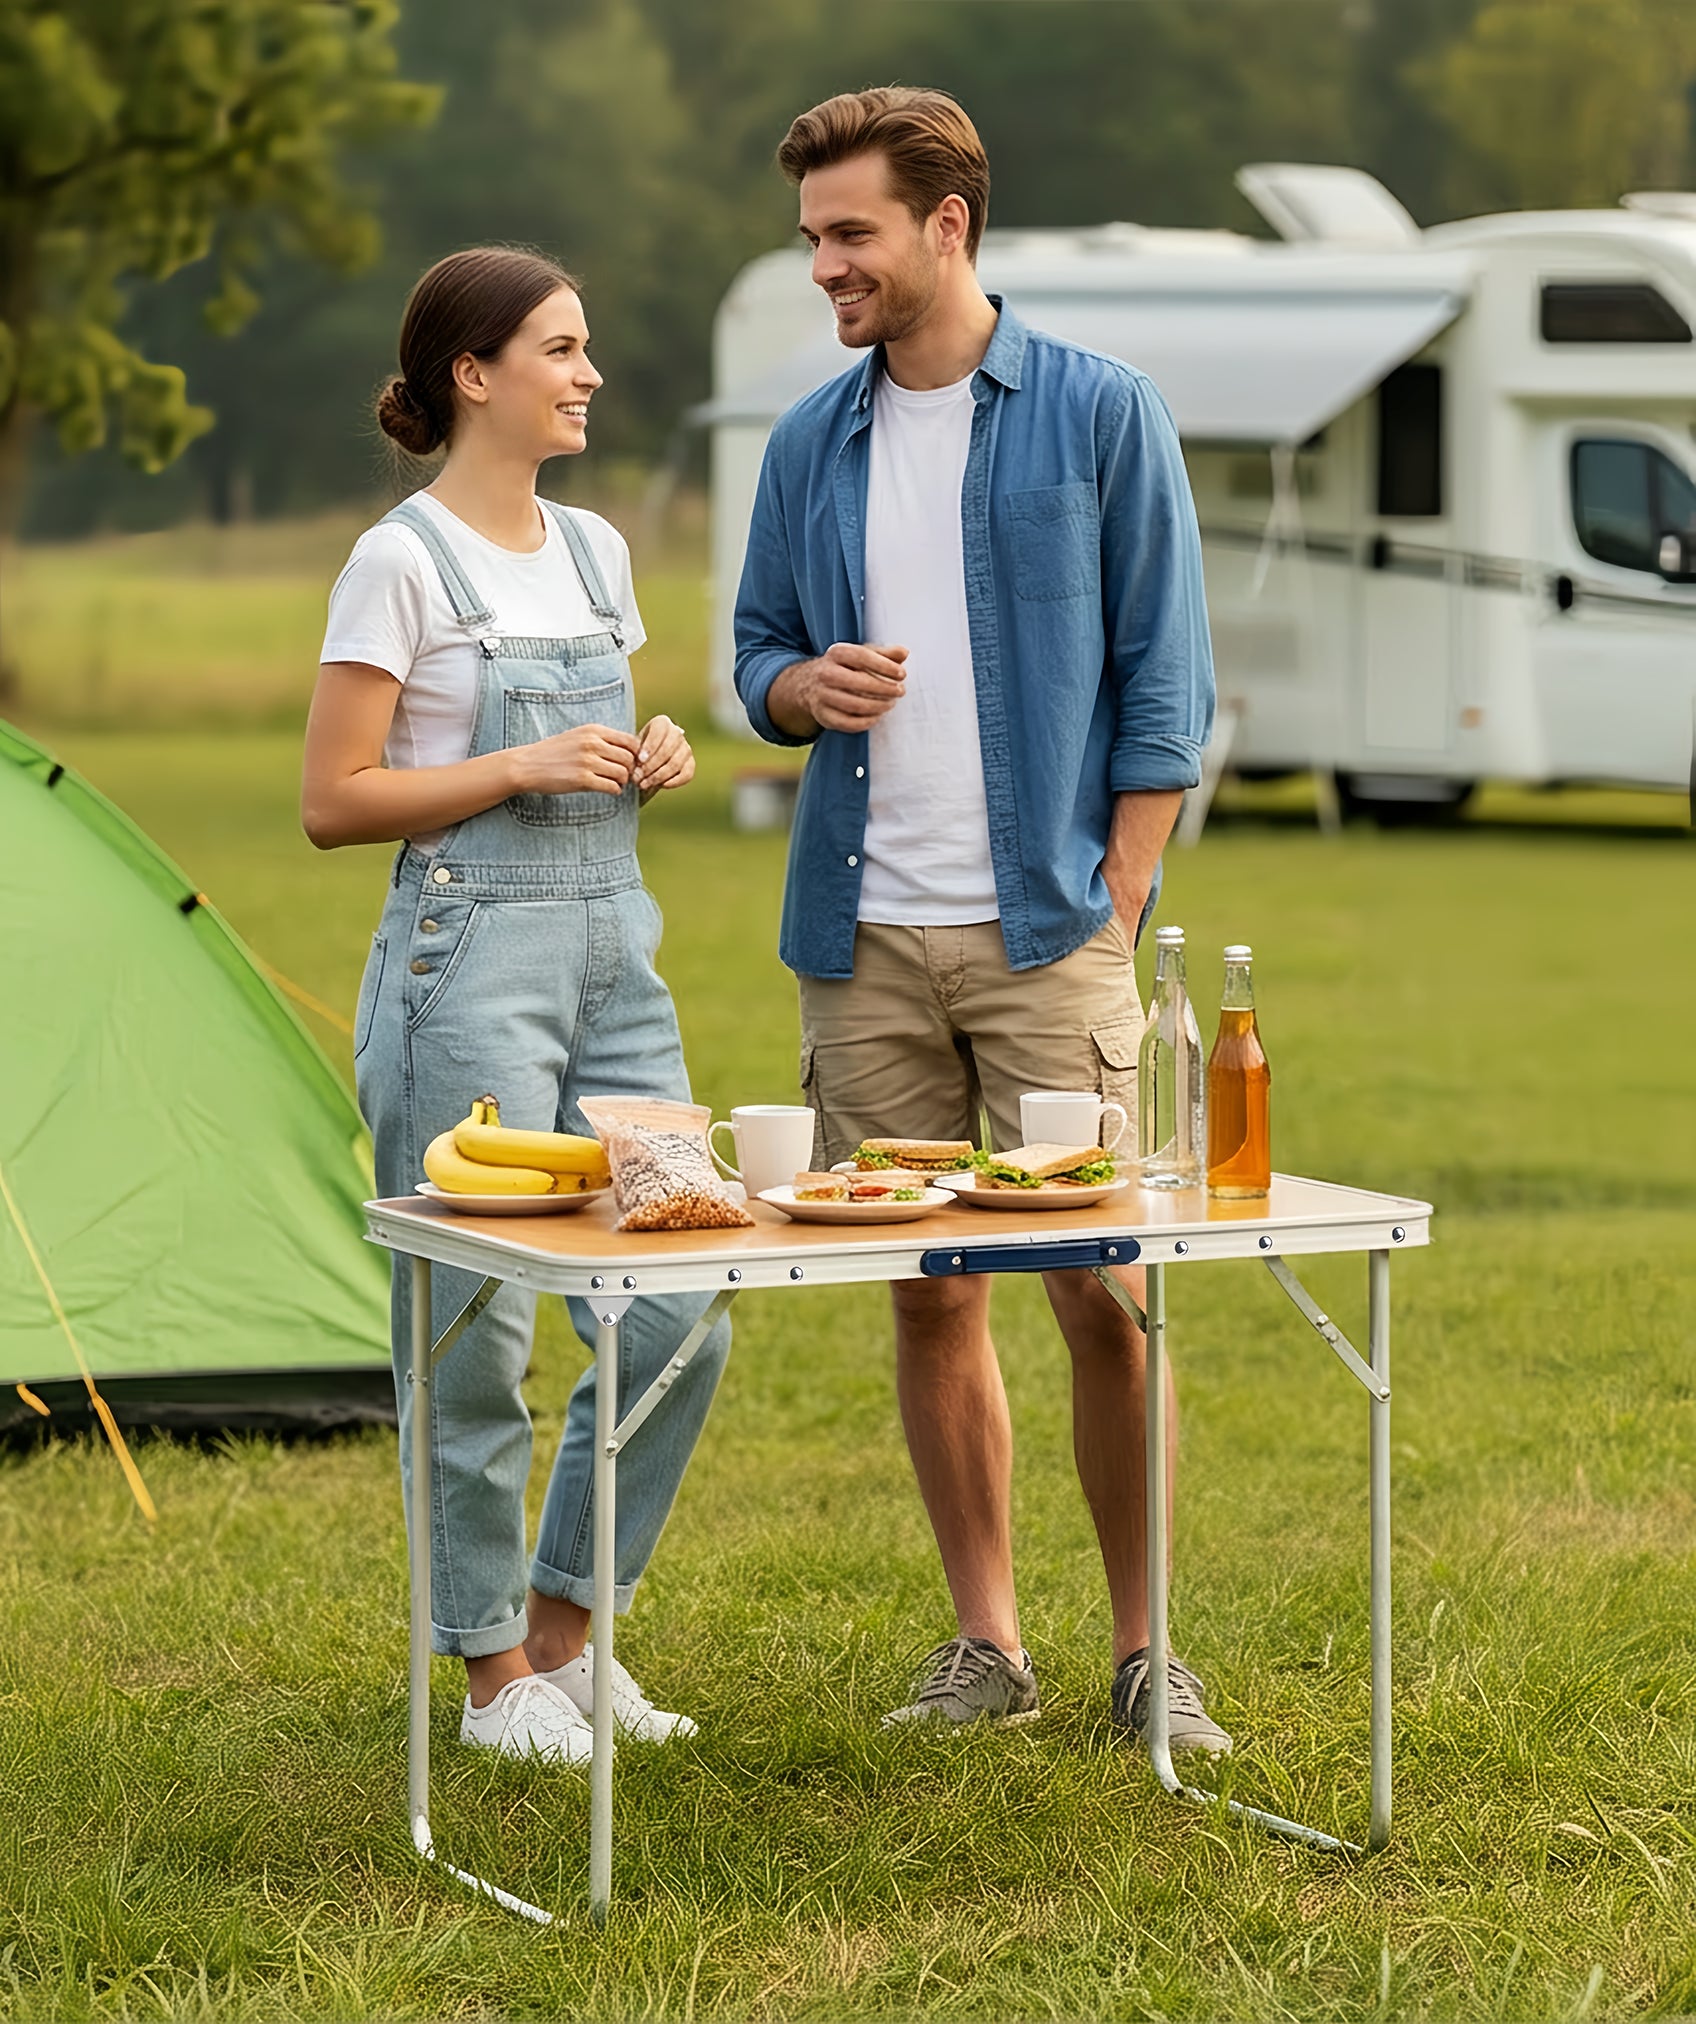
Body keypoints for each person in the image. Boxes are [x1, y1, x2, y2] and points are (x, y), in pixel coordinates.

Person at [733, 89, 1228, 1752]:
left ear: (950, 226)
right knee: (929, 1288)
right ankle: (989, 1647)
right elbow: (753, 654)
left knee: (1102, 1284)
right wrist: (799, 685)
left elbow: (1170, 671)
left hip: (1046, 934)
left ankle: (1149, 1654)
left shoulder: (1100, 411)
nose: (826, 267)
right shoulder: (813, 439)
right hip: (861, 938)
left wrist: (1127, 879)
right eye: (813, 239)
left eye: (851, 233)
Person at [302, 247, 730, 1764]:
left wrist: (651, 745)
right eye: (561, 347)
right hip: (460, 968)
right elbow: (333, 801)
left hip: (620, 957)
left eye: (588, 346)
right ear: (473, 374)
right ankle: (490, 1680)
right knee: (473, 1333)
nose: (590, 373)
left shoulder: (603, 550)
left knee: (682, 1305)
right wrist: (515, 766)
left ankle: (566, 1637)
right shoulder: (399, 561)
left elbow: (599, 743)